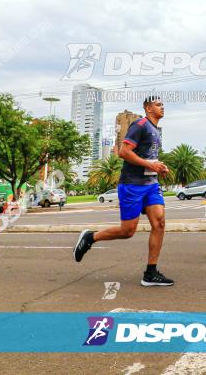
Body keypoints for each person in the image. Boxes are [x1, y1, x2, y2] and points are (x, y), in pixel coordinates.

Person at [74, 96, 174, 286]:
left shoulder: (155, 129)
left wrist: (159, 167)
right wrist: (149, 165)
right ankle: (90, 237)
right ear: (148, 108)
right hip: (132, 184)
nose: (162, 107)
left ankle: (150, 273)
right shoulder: (140, 125)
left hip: (151, 184)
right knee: (128, 231)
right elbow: (124, 152)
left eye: (162, 104)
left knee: (159, 223)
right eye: (158, 104)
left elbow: (149, 156)